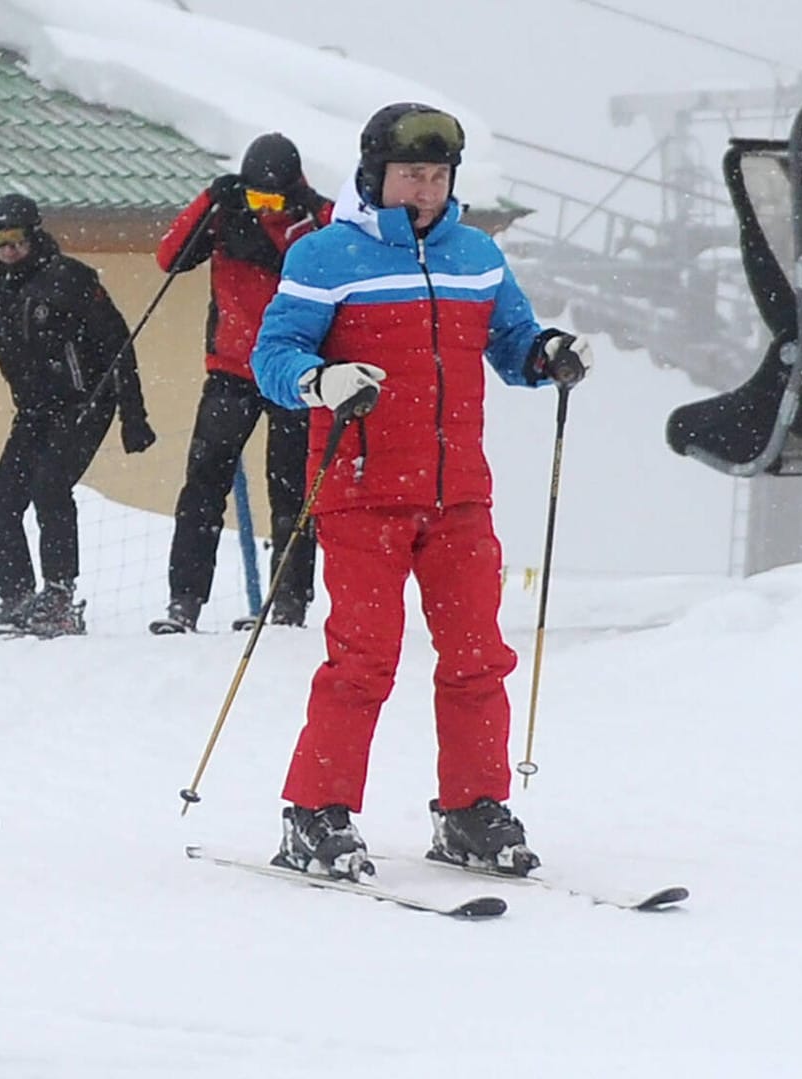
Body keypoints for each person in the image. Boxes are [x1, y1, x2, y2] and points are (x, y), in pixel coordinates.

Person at [249, 103, 590, 882]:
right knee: (364, 659)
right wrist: (320, 379)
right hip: (361, 487)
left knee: (477, 656)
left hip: (458, 493)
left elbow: (511, 343)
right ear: (375, 174)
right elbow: (273, 353)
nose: (425, 191)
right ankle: (316, 811)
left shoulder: (476, 254)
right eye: (412, 175)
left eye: (438, 177)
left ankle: (472, 808)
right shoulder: (325, 255)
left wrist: (548, 355)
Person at [0, 193, 156, 637]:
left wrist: (134, 415)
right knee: (3, 503)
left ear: (35, 234)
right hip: (34, 411)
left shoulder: (70, 279)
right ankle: (15, 598)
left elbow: (117, 346)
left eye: (17, 239)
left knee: (50, 487)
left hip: (85, 403)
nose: (9, 249)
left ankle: (58, 597)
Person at [149, 133, 334, 634]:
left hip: (297, 375)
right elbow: (171, 258)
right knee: (203, 488)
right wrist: (212, 198)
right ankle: (183, 602)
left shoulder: (319, 221)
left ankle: (287, 605)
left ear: (294, 190)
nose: (264, 209)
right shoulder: (226, 213)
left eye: (273, 200)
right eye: (255, 198)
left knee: (292, 493)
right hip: (230, 371)